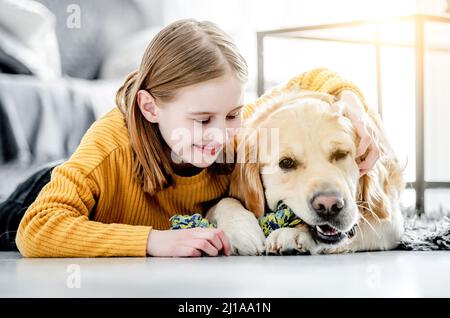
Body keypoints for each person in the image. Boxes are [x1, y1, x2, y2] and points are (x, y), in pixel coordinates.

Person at [0, 19, 379, 257]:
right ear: (151, 108)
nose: (221, 134)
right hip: (37, 197)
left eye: (232, 114)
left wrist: (351, 103)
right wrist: (153, 242)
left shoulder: (235, 132)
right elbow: (37, 229)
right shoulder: (109, 146)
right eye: (201, 120)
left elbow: (308, 80)